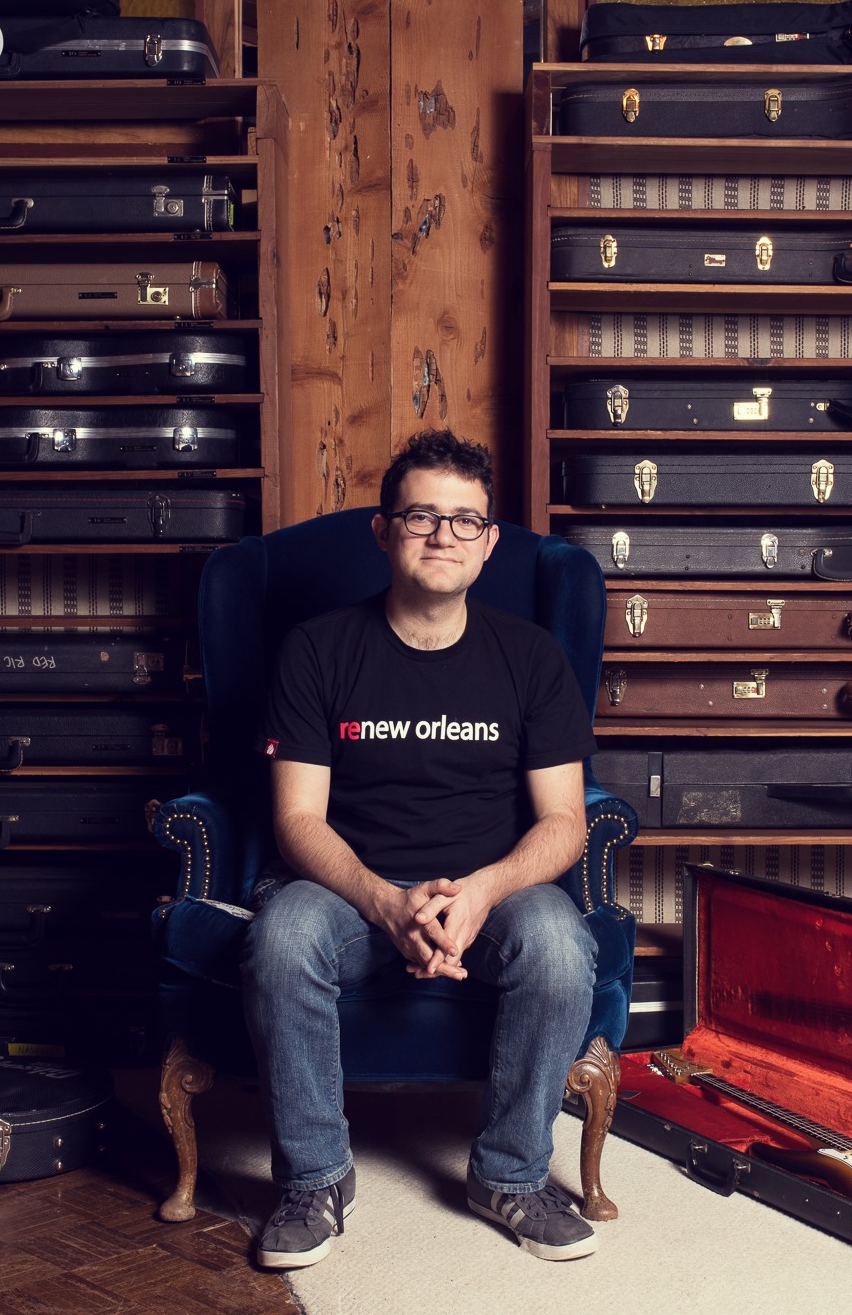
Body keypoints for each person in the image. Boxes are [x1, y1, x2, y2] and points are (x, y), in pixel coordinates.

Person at [242, 428, 603, 1269]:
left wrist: (476, 894)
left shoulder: (532, 658)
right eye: (420, 516)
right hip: (347, 889)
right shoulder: (317, 649)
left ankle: (510, 1175)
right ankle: (314, 1181)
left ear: (489, 544)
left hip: (494, 887)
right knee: (281, 937)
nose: (443, 534)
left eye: (464, 520)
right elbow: (297, 819)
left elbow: (562, 823)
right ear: (383, 531)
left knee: (558, 943)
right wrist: (385, 901)